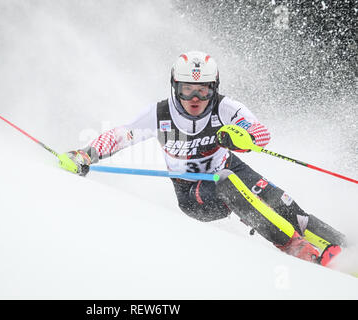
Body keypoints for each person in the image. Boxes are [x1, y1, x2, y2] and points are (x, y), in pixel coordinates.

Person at [58, 51, 346, 266]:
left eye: (203, 89)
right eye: (186, 89)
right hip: (192, 192)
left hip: (228, 167)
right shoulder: (161, 114)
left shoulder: (225, 107)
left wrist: (242, 137)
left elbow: (260, 132)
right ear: (175, 87)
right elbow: (121, 135)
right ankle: (293, 246)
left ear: (214, 87)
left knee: (282, 202)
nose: (194, 99)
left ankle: (343, 246)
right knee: (226, 182)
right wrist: (85, 154)